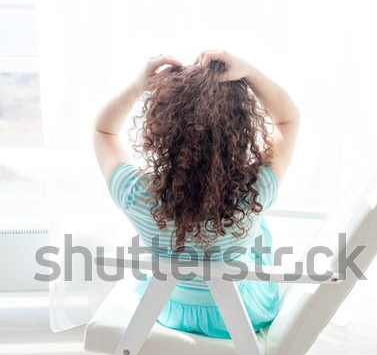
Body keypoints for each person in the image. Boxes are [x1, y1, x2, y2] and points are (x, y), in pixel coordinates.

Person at [92, 49, 300, 338]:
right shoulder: (257, 189)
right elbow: (287, 119)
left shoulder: (136, 194)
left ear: (160, 129)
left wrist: (138, 84)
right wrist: (250, 72)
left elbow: (103, 132)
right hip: (240, 316)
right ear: (240, 131)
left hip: (167, 309)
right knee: (257, 227)